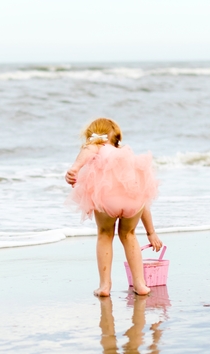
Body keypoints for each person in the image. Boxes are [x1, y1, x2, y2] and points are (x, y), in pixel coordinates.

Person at [65, 117, 162, 297]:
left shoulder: (98, 147)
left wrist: (75, 168)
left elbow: (88, 150)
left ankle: (104, 286)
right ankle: (140, 285)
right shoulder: (127, 156)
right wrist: (151, 232)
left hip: (108, 199)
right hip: (134, 202)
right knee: (129, 234)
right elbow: (143, 197)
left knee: (105, 234)